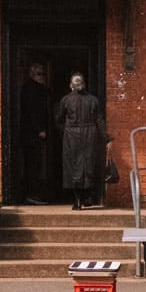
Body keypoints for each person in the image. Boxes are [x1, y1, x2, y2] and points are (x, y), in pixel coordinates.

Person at [55, 72, 108, 210]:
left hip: (72, 135)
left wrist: (64, 130)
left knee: (73, 166)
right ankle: (88, 197)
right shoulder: (93, 100)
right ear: (83, 84)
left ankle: (77, 201)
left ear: (71, 85)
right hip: (90, 134)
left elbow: (59, 119)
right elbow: (99, 120)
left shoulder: (66, 100)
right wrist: (106, 137)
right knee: (89, 164)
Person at [19, 62, 52, 204]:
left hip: (31, 133)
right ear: (32, 74)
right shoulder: (33, 89)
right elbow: (33, 111)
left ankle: (34, 193)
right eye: (39, 74)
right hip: (33, 134)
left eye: (43, 74)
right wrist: (40, 129)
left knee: (35, 164)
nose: (42, 77)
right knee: (33, 164)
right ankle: (31, 194)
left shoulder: (36, 88)